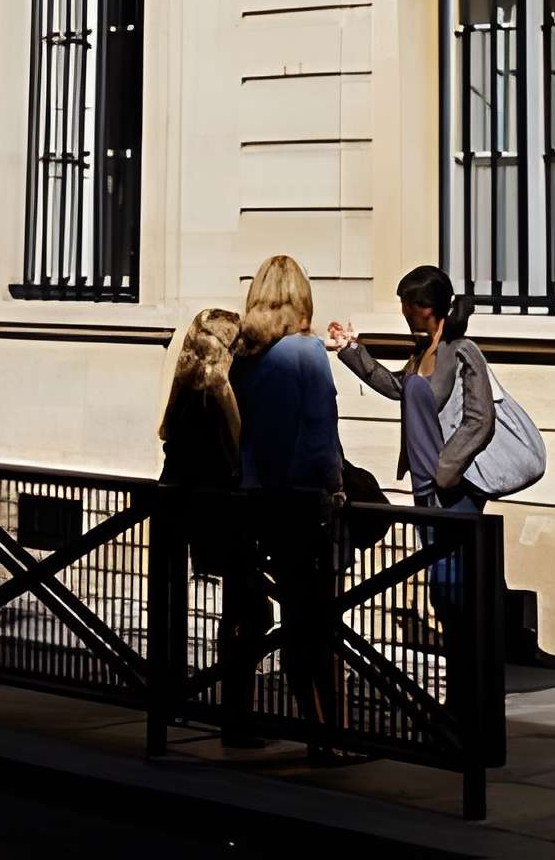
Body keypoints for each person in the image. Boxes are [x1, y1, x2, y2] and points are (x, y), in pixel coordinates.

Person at [328, 265, 496, 658]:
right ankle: (462, 682)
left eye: (408, 303)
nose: (403, 311)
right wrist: (352, 351)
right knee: (444, 590)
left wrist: (446, 471)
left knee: (453, 587)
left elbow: (480, 418)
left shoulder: (462, 352)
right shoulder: (421, 352)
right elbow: (397, 389)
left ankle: (471, 680)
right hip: (425, 490)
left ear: (427, 307)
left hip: (452, 491)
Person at [230, 253, 348, 746]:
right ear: (301, 300)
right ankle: (322, 732)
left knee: (245, 611)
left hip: (247, 501)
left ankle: (237, 718)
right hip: (299, 503)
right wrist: (336, 485)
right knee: (310, 617)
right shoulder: (306, 351)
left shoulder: (243, 354)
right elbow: (321, 434)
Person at [157, 308, 264, 743]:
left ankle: (171, 706)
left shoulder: (184, 392)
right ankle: (234, 719)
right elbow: (228, 464)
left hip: (185, 515)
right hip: (224, 518)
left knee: (185, 613)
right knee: (250, 612)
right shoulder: (217, 398)